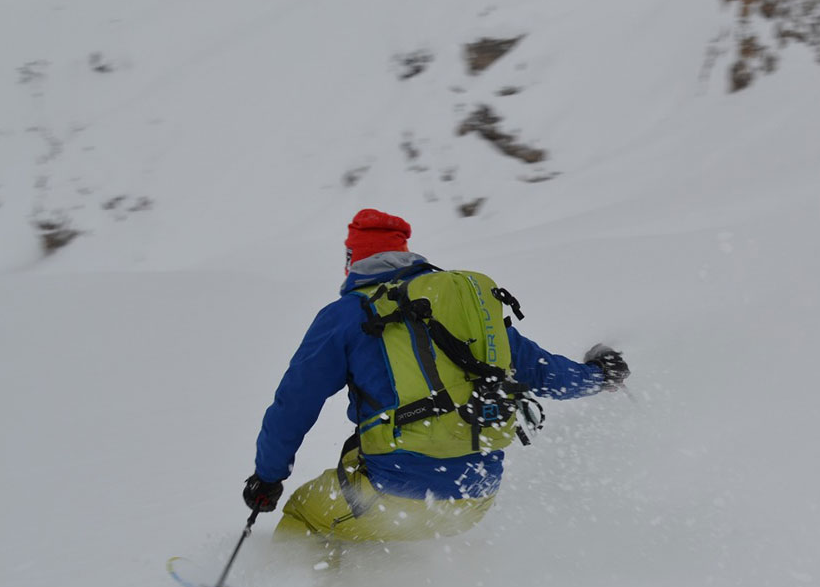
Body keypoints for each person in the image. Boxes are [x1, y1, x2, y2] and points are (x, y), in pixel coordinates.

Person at [241, 209, 629, 565]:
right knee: (363, 515)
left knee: (307, 513)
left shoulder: (346, 316)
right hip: (475, 499)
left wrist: (268, 478)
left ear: (352, 261)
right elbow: (544, 373)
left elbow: (294, 403)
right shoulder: (464, 313)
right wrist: (601, 375)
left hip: (395, 496)